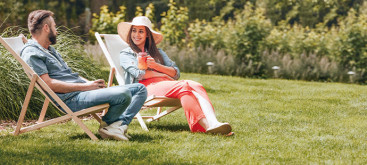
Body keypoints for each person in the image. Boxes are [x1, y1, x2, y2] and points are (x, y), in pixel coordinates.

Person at [20, 10, 147, 141]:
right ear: (46, 28)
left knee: (140, 89)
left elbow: (68, 75)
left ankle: (116, 126)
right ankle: (111, 125)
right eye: (54, 26)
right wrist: (86, 87)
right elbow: (49, 85)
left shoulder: (49, 49)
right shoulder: (32, 53)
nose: (56, 30)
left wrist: (90, 84)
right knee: (123, 94)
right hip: (71, 99)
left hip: (81, 91)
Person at [118, 16, 232, 135]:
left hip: (164, 84)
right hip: (143, 88)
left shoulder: (158, 52)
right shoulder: (126, 54)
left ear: (147, 34)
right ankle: (208, 126)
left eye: (141, 31)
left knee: (194, 85)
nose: (136, 34)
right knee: (184, 86)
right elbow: (139, 73)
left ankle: (213, 124)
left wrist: (157, 66)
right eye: (134, 30)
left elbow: (176, 73)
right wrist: (162, 74)